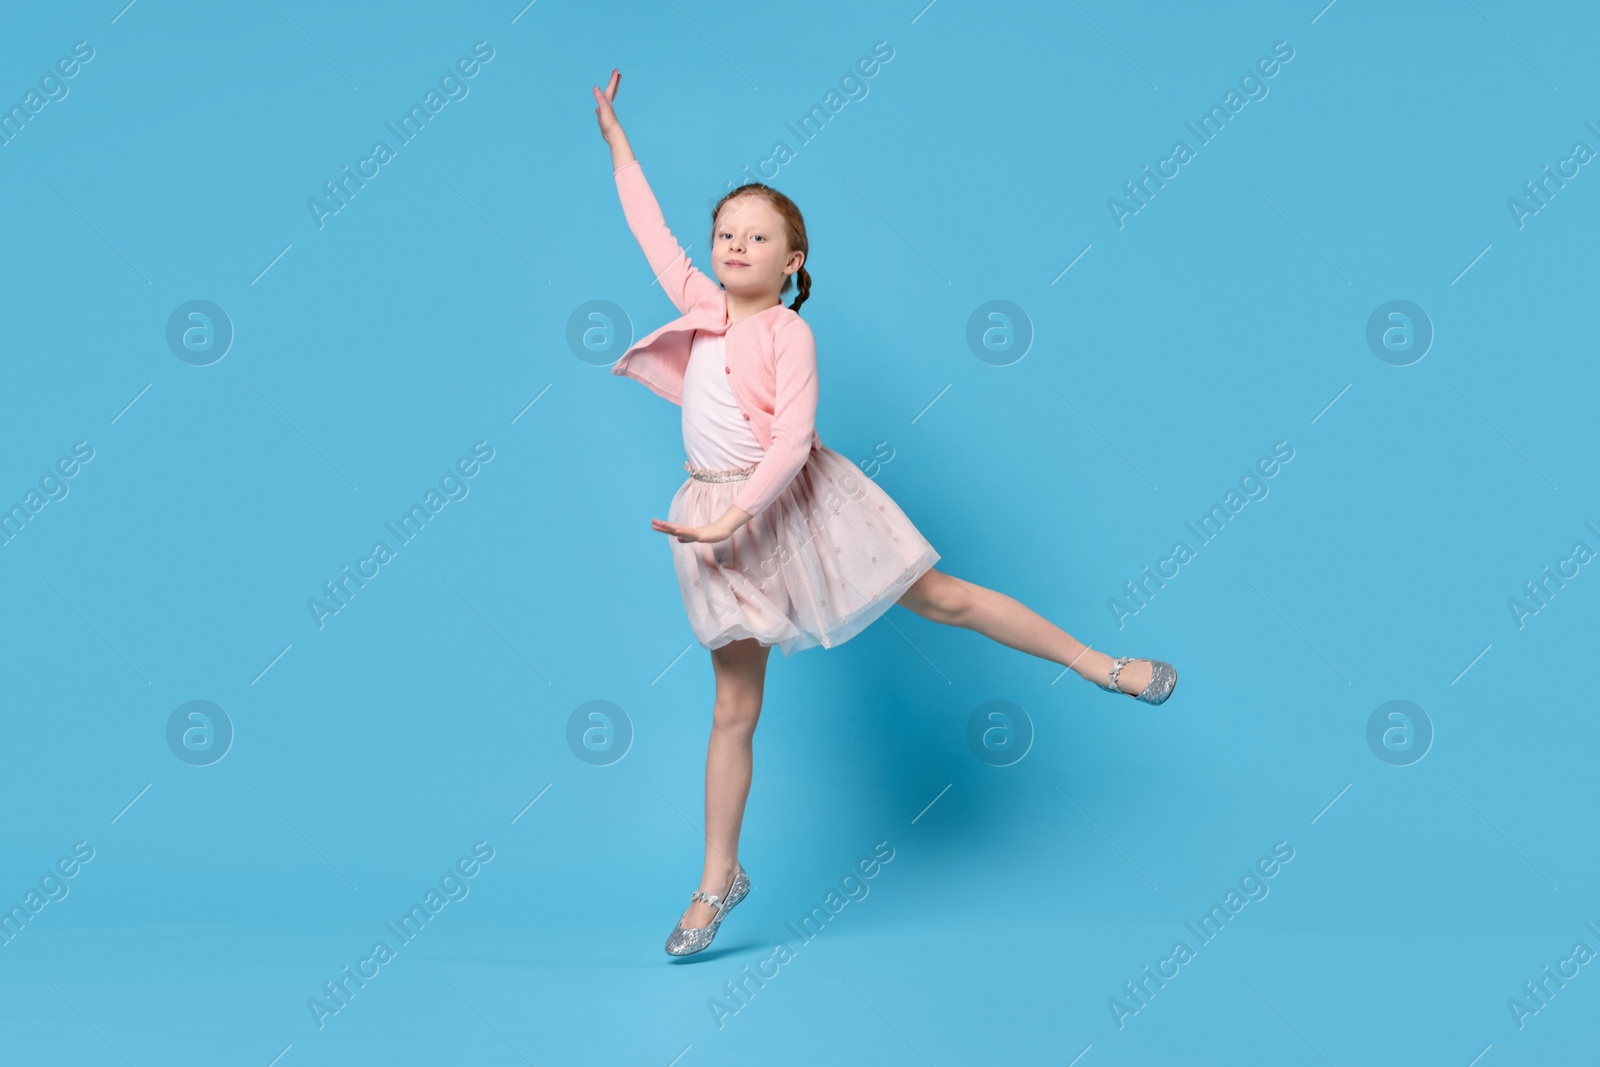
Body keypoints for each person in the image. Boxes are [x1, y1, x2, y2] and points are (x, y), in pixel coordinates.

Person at [591, 69, 1177, 958]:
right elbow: (650, 234)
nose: (735, 243)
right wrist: (619, 146)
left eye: (759, 234)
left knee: (944, 598)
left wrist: (733, 517)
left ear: (792, 261)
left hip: (795, 506)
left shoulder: (788, 332)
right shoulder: (700, 310)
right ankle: (719, 881)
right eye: (725, 231)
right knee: (732, 709)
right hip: (711, 514)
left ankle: (1102, 664)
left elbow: (791, 443)